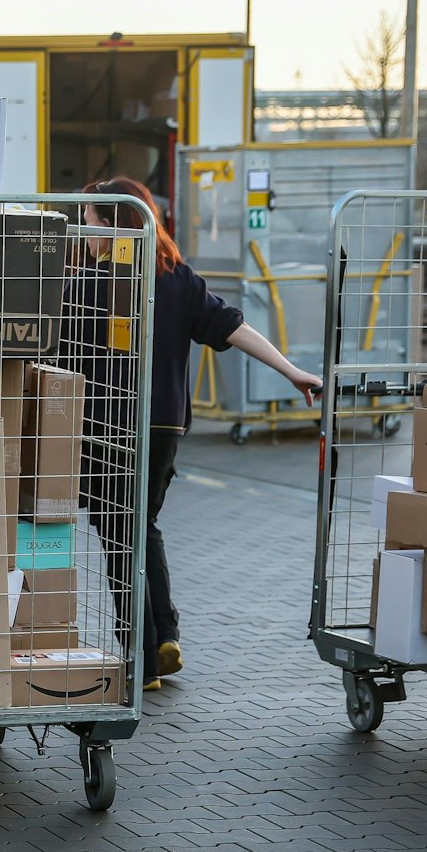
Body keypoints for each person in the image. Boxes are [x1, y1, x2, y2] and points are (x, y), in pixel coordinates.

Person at [73, 176, 322, 690]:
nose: (84, 232)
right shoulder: (178, 277)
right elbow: (234, 327)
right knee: (141, 527)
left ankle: (141, 662)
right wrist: (291, 370)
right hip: (164, 424)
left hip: (108, 423)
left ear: (114, 224)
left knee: (119, 535)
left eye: (89, 221)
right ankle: (165, 635)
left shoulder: (92, 282)